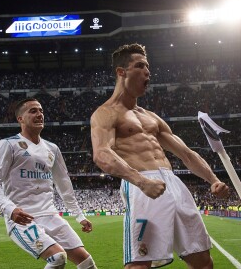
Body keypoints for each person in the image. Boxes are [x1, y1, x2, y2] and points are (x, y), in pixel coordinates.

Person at [90, 43, 229, 269]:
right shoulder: (105, 113)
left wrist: (213, 180)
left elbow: (186, 153)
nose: (148, 72)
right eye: (140, 66)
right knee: (140, 263)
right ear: (121, 72)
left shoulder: (151, 117)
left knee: (203, 261)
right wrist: (141, 181)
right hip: (143, 183)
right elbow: (102, 154)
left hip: (174, 183)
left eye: (148, 67)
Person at [0, 98, 97, 269]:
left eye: (41, 111)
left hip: (50, 215)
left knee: (86, 262)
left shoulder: (52, 149)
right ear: (20, 119)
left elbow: (64, 184)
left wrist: (79, 215)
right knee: (58, 258)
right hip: (23, 218)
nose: (39, 114)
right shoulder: (8, 145)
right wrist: (10, 209)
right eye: (33, 111)